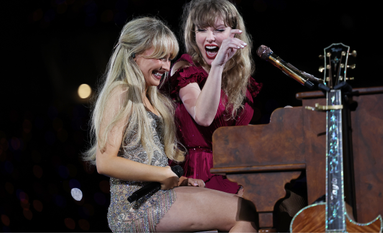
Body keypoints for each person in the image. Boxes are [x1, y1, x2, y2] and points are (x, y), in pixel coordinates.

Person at [83, 17, 257, 232]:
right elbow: (106, 163)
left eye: (169, 59)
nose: (166, 66)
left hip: (157, 195)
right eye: (159, 58)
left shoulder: (152, 98)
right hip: (136, 207)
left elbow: (149, 162)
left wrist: (180, 180)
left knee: (246, 209)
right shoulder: (121, 91)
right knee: (244, 212)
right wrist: (162, 174)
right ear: (134, 55)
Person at [166, 0, 262, 195]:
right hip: (200, 173)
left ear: (234, 33)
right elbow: (203, 116)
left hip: (236, 169)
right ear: (194, 34)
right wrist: (217, 66)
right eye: (202, 30)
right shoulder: (185, 68)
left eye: (219, 30)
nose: (210, 38)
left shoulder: (239, 79)